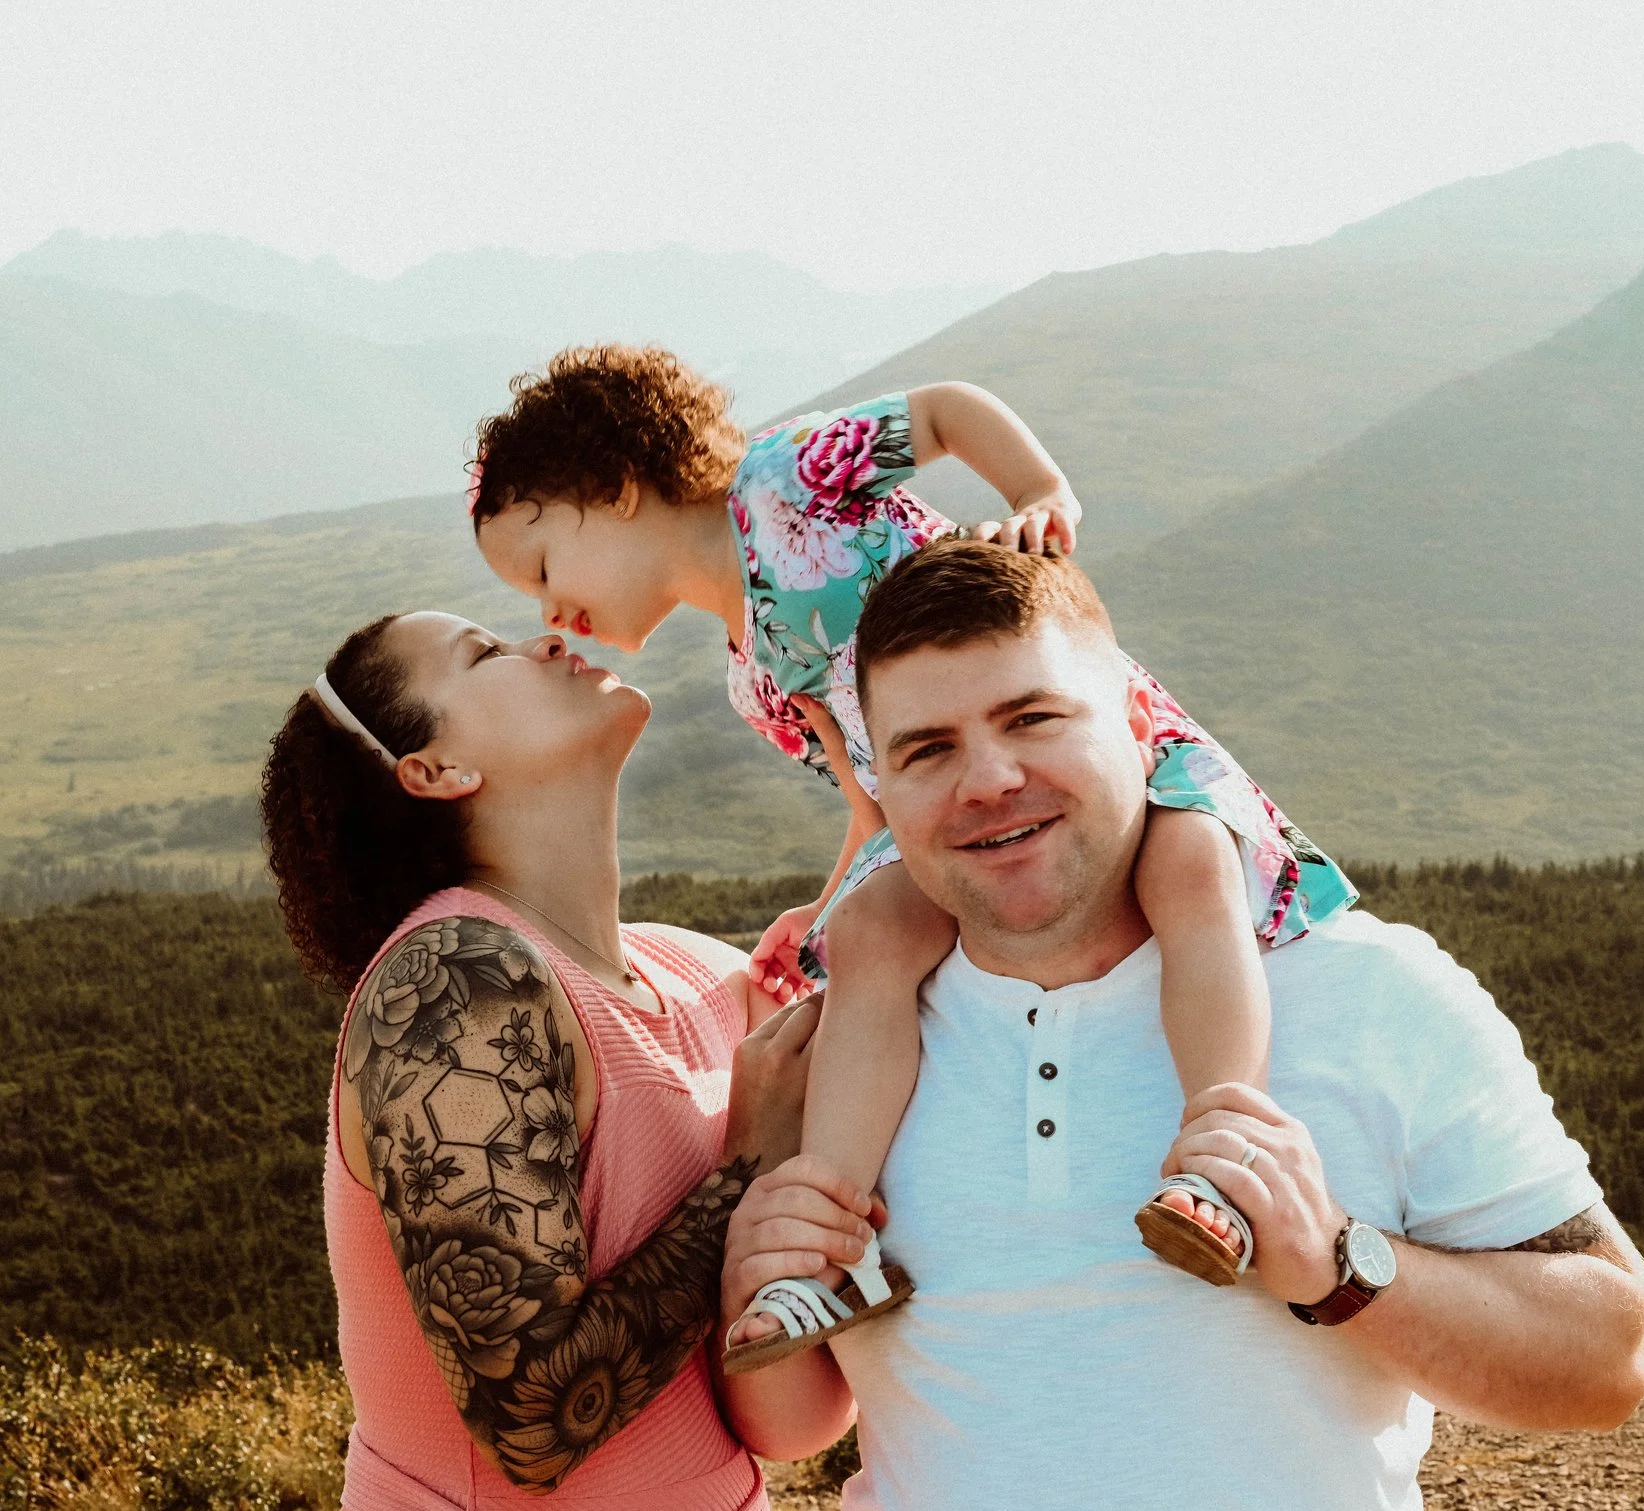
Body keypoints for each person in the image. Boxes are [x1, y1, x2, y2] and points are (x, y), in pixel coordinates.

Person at [718, 540, 1644, 1511]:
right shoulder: (839, 1052)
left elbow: (1605, 1359)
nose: (988, 778)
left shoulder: (1368, 994)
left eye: (1032, 717)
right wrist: (750, 1246)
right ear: (882, 791)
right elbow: (790, 1424)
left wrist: (1339, 1265)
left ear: (1136, 722)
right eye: (927, 749)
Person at [468, 346, 1356, 1369]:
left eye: (540, 568)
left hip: (1088, 762)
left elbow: (942, 411)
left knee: (1188, 864)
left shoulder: (780, 480)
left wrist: (1036, 492)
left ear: (614, 491)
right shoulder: (752, 678)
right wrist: (827, 903)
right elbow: (872, 802)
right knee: (867, 941)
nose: (548, 612)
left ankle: (1224, 1157)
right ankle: (828, 1245)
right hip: (948, 821)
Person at [225, 613, 823, 1511]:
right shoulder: (458, 985)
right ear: (434, 769)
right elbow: (531, 1416)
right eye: (484, 654)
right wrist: (744, 1169)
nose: (547, 638)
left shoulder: (694, 968)